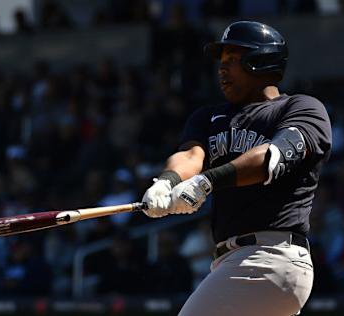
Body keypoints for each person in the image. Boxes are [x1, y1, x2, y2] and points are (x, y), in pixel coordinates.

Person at [141, 21, 332, 316]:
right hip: (235, 261)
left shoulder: (301, 108)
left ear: (261, 61)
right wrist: (167, 182)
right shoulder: (208, 116)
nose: (222, 69)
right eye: (222, 61)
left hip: (268, 256)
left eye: (233, 60)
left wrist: (206, 182)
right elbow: (191, 155)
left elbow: (271, 157)